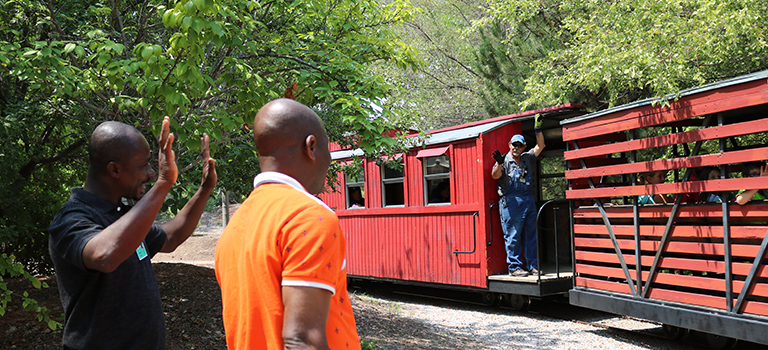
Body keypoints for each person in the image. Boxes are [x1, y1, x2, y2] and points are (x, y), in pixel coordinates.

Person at [48, 117, 217, 349]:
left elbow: (170, 237)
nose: (150, 172)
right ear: (114, 169)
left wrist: (204, 190)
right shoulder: (71, 219)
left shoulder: (123, 214)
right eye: (144, 165)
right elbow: (105, 255)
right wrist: (164, 182)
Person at [215, 99, 360, 350]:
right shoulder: (309, 217)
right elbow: (301, 340)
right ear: (311, 146)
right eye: (328, 149)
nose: (330, 160)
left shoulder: (236, 225)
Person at [491, 114, 545, 277]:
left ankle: (532, 266)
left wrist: (538, 129)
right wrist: (499, 163)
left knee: (530, 234)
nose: (516, 148)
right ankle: (514, 267)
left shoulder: (527, 158)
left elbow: (540, 145)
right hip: (511, 201)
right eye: (514, 144)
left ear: (523, 147)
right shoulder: (504, 160)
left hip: (527, 199)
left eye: (519, 145)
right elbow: (494, 175)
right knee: (513, 235)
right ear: (509, 145)